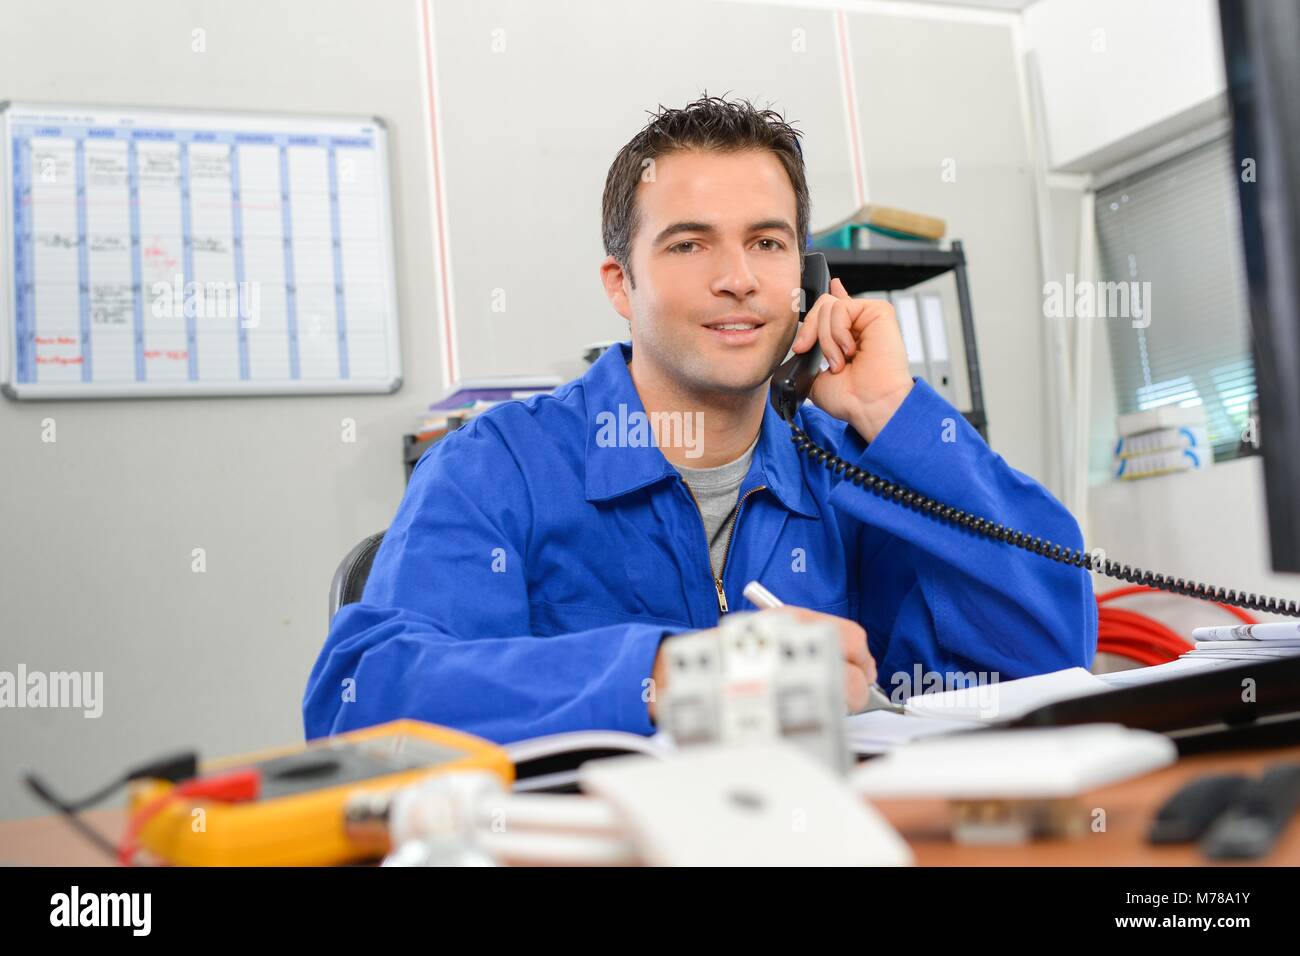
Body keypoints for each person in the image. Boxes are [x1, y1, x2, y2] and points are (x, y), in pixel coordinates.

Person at [303, 95, 1096, 743]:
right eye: (689, 245)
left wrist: (896, 416)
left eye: (768, 242)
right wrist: (673, 676)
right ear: (621, 285)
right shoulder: (497, 465)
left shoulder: (845, 468)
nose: (739, 279)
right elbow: (361, 698)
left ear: (807, 278)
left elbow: (1045, 653)